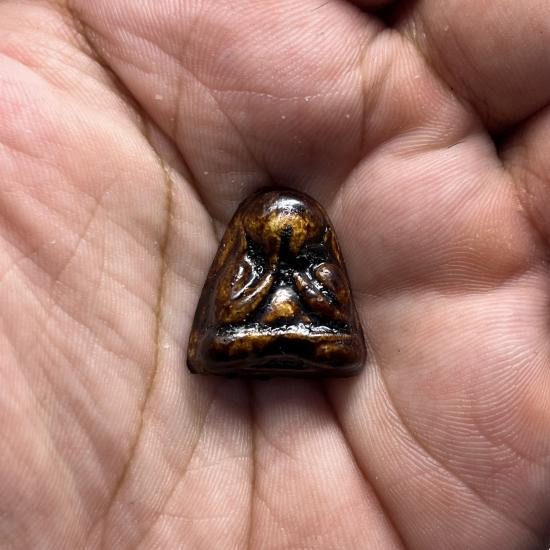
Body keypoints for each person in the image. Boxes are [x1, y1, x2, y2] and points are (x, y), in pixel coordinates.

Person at [0, 0, 549, 548]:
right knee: (229, 344)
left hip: (307, 340)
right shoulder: (248, 264)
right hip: (249, 338)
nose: (284, 253)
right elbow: (232, 312)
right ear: (256, 240)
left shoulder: (315, 262)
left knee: (330, 346)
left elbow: (331, 310)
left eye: (296, 246)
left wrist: (302, 283)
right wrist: (265, 281)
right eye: (272, 246)